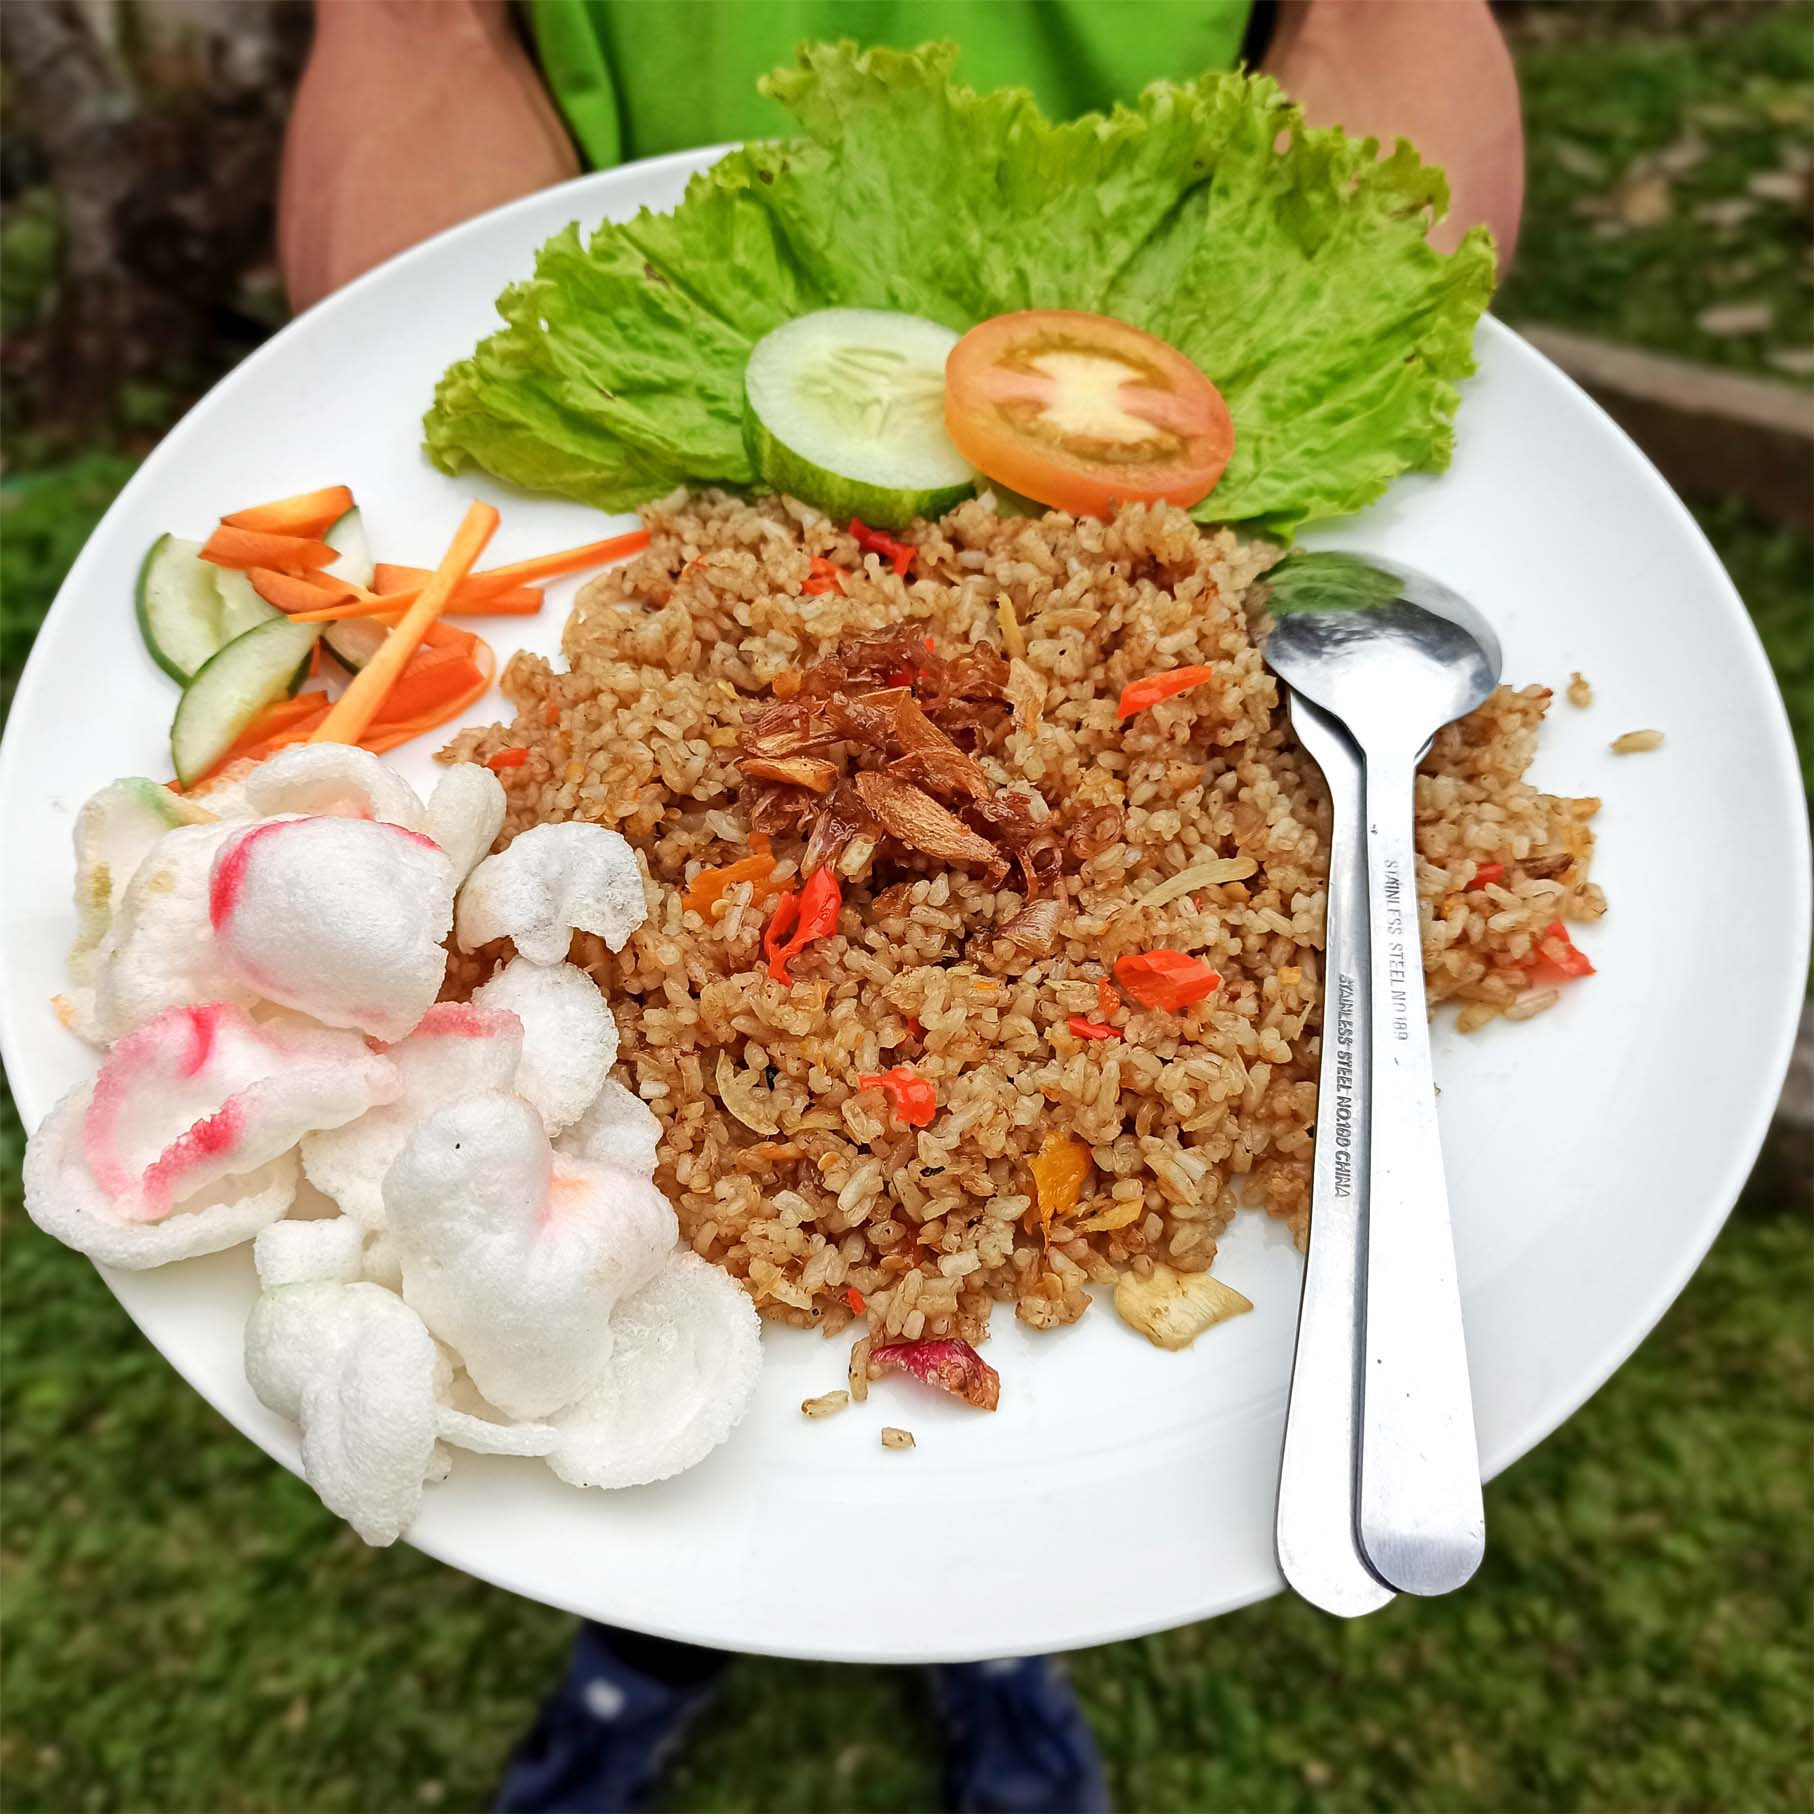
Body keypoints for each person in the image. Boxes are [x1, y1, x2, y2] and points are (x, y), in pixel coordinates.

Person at [277, 7, 1522, 1811]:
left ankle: (983, 1642)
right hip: (721, 391)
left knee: (966, 1520)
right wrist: (436, 371)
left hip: (1136, 313)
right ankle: (647, 1652)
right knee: (661, 1419)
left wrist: (1265, 346)